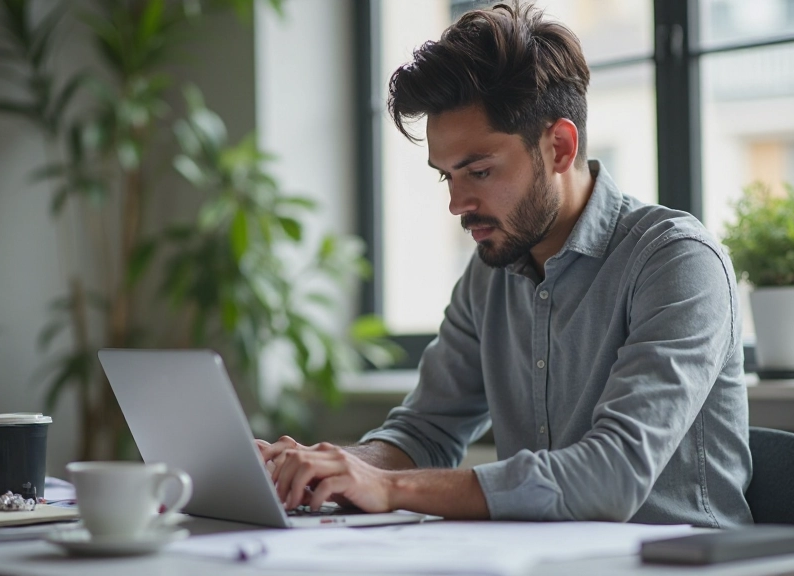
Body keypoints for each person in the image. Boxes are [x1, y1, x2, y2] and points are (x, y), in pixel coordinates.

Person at [257, 1, 752, 527]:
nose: (457, 204)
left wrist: (389, 487)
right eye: (447, 175)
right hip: (546, 560)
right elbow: (425, 433)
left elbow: (612, 477)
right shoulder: (490, 271)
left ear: (559, 147)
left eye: (480, 171)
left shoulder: (677, 262)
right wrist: (321, 468)